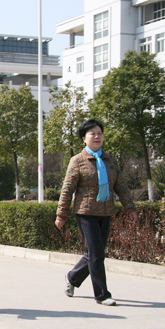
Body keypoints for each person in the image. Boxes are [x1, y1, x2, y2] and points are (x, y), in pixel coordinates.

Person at [56, 119, 137, 306]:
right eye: (92, 133)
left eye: (99, 133)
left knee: (95, 253)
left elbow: (121, 187)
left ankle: (72, 277)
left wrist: (130, 208)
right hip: (85, 212)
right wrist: (61, 214)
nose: (97, 136)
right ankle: (102, 295)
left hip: (105, 212)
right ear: (84, 138)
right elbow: (67, 189)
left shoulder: (110, 161)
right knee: (97, 253)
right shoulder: (77, 161)